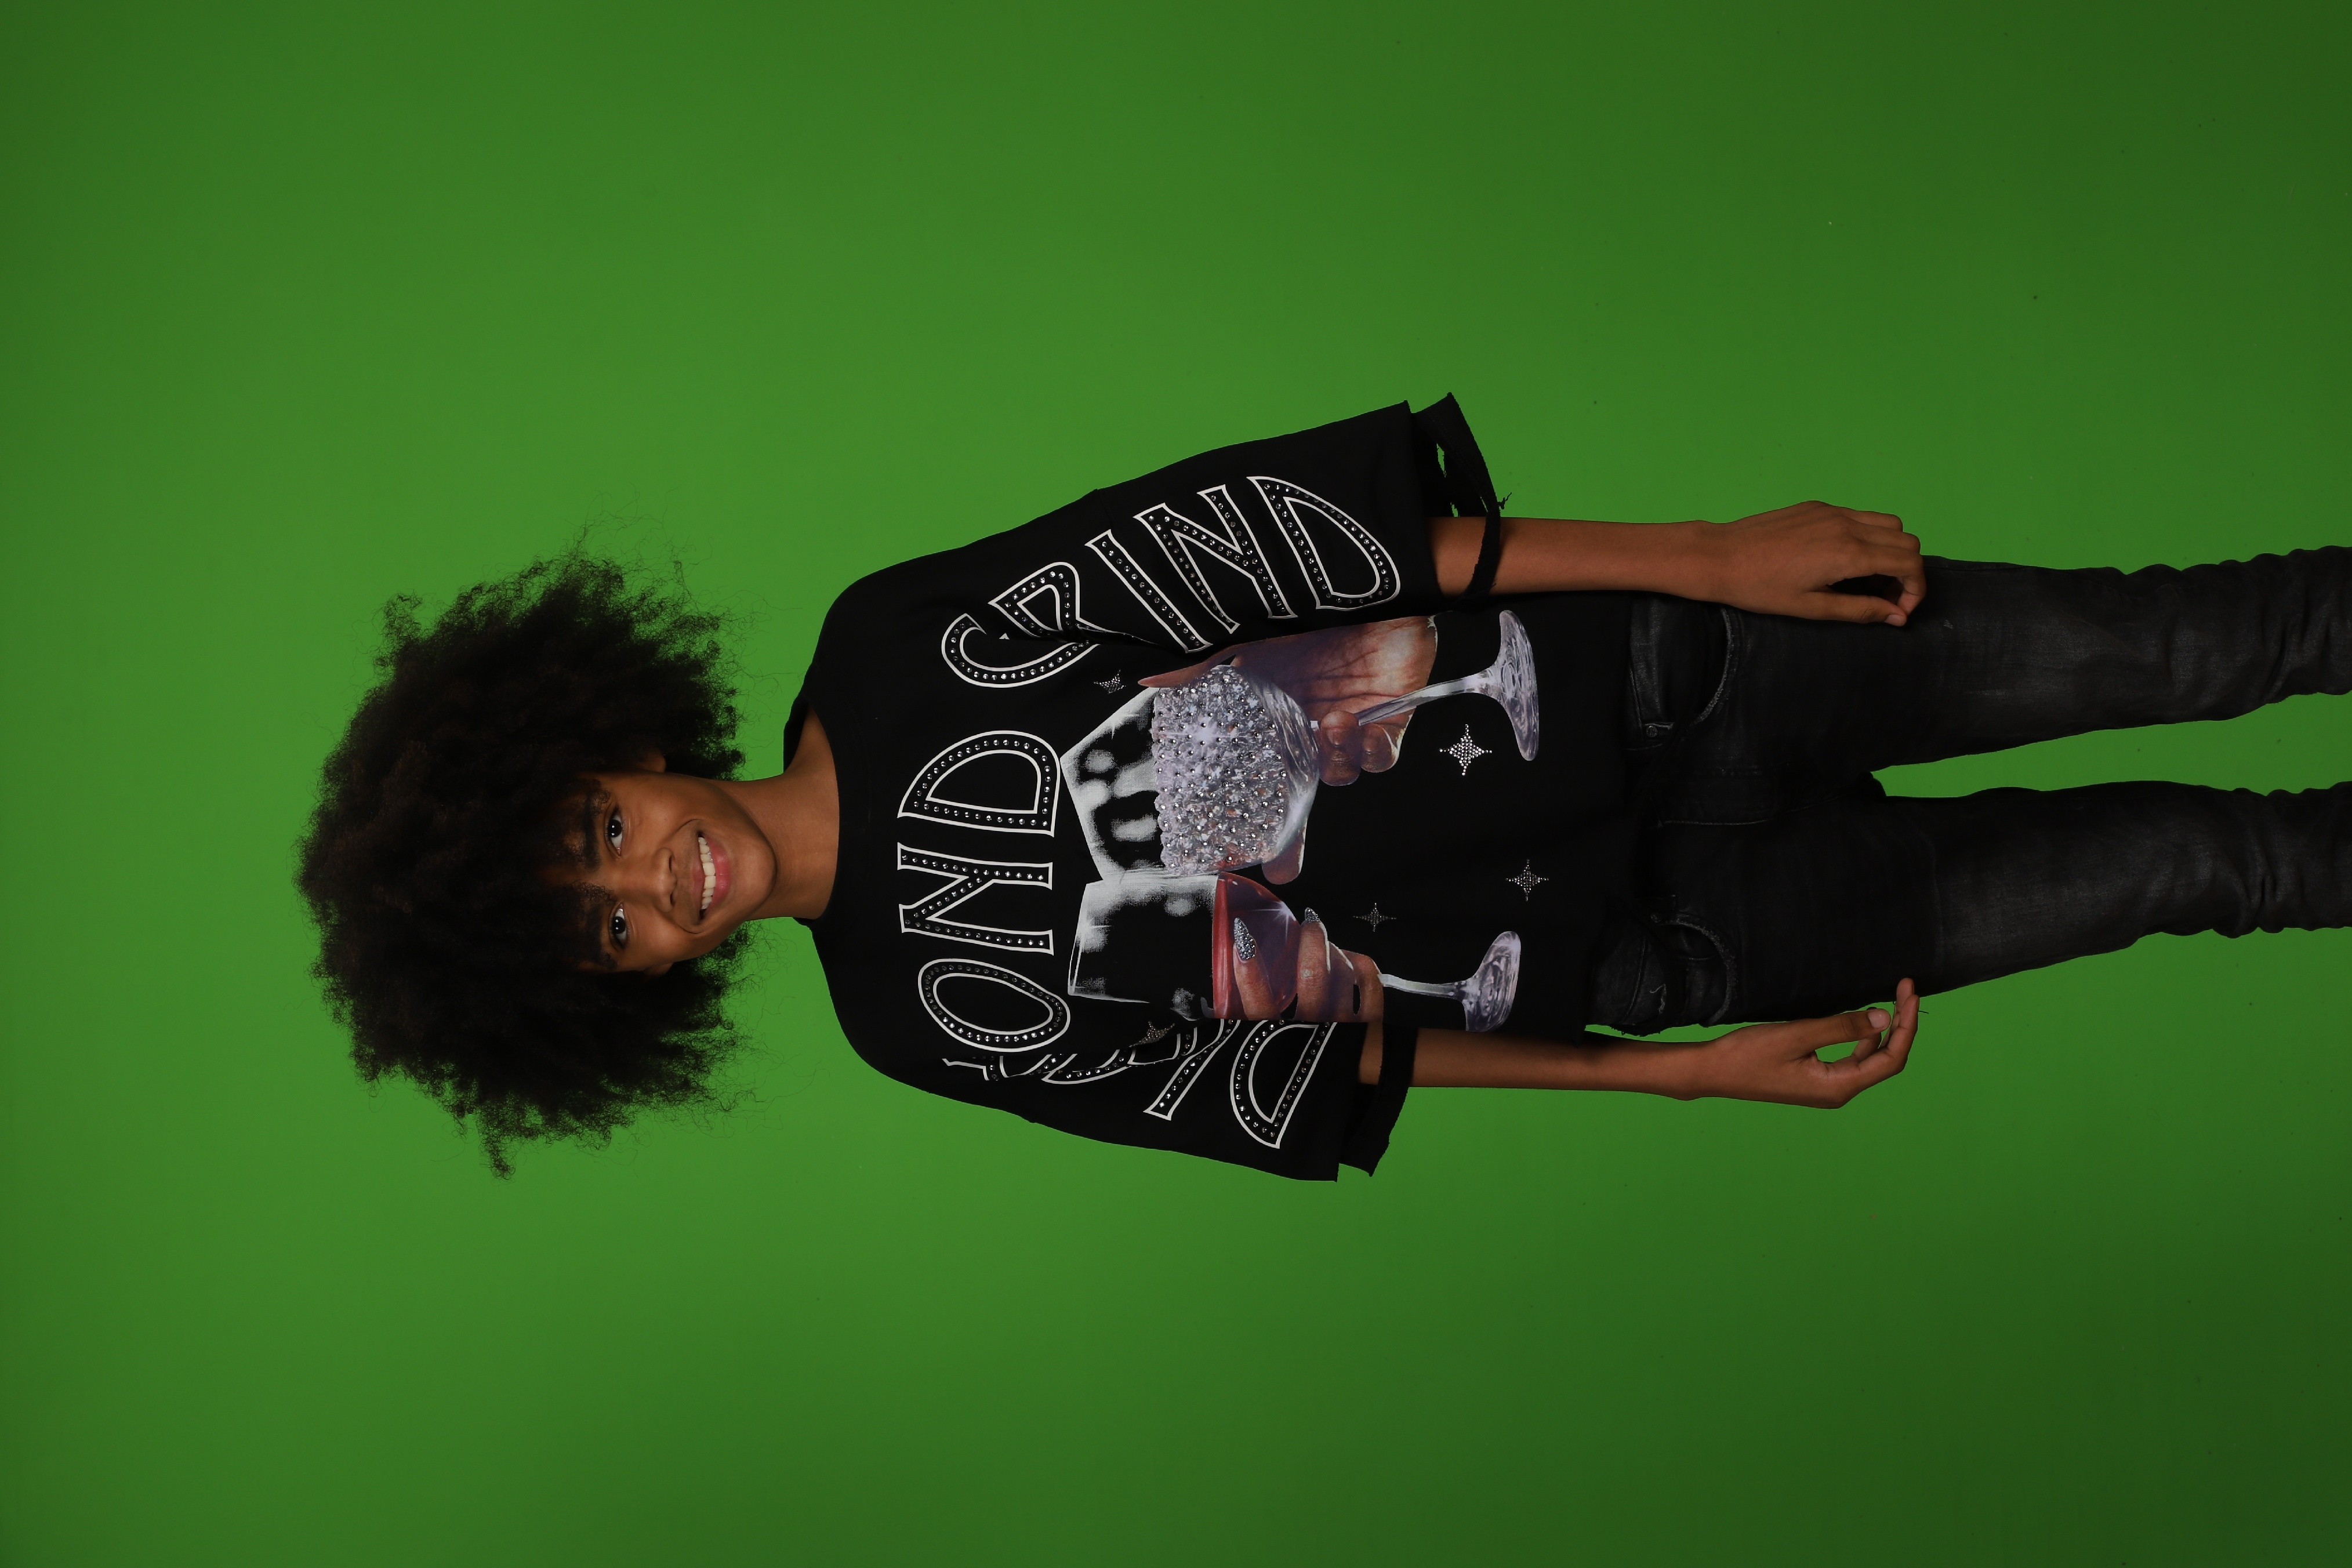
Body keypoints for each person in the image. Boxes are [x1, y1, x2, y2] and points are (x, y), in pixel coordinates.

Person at [297, 398, 2352, 1177]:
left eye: (601, 833)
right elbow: (1313, 1064)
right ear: (632, 992)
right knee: (2208, 866)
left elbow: (1266, 550)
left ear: (621, 749)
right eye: (611, 931)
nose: (659, 880)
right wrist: (1672, 1081)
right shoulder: (918, 1021)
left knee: (2192, 644)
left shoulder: (892, 646)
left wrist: (1707, 556)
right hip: (1682, 940)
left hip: (1677, 672)